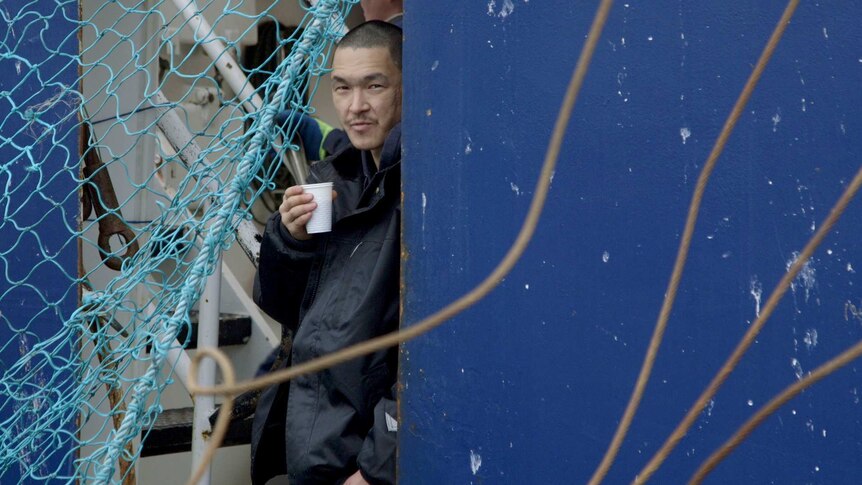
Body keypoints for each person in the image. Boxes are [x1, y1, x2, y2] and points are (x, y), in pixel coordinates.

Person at [251, 20, 403, 485]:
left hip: (363, 461)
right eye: (341, 88)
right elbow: (282, 307)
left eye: (374, 86)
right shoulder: (333, 180)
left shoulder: (425, 195)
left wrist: (375, 470)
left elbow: (434, 353)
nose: (355, 107)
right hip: (313, 446)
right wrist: (289, 240)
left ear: (409, 87)